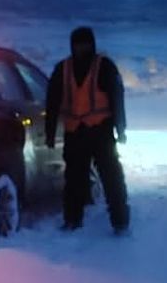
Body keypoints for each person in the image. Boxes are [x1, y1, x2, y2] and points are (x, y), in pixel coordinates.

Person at [44, 26, 130, 234]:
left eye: (86, 43)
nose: (82, 48)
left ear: (93, 44)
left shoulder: (105, 66)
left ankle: (120, 222)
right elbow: (52, 102)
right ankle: (72, 220)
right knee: (74, 180)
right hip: (75, 134)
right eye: (78, 44)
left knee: (111, 179)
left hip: (101, 132)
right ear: (72, 45)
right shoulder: (62, 70)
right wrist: (50, 132)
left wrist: (120, 128)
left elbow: (117, 97)